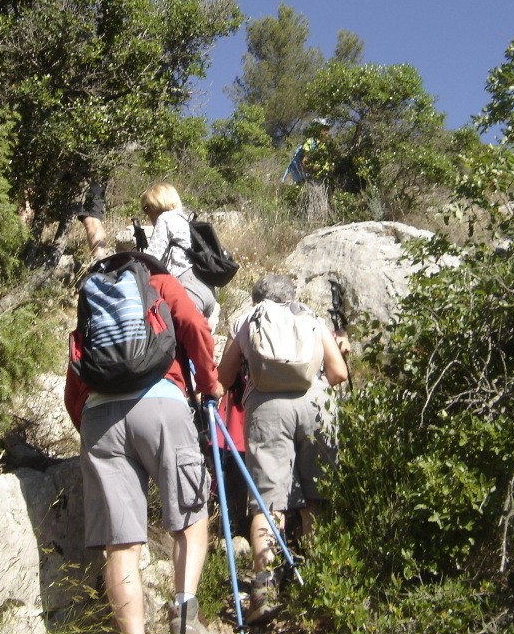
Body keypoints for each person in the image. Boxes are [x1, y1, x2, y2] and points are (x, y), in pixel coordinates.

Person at [64, 255, 224, 634]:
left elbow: (76, 369)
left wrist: (88, 425)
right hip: (161, 406)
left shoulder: (96, 297)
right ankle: (184, 614)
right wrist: (208, 383)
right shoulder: (161, 283)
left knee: (120, 544)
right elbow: (195, 327)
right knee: (189, 519)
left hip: (100, 417)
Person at [216, 274, 348, 624]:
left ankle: (264, 589)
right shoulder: (311, 318)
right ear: (292, 295)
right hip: (316, 406)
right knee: (315, 498)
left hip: (267, 408)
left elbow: (223, 377)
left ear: (257, 298)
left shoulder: (249, 319)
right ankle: (319, 581)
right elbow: (338, 372)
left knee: (267, 501)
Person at [139, 183, 219, 330]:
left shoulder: (165, 218)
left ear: (157, 204)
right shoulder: (184, 219)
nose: (147, 213)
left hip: (186, 287)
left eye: (147, 208)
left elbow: (151, 258)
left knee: (174, 339)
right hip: (206, 289)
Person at [280, 118, 333, 184]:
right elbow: (304, 163)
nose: (327, 132)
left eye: (328, 129)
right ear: (318, 130)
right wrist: (316, 170)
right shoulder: (311, 142)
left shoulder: (323, 145)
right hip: (303, 178)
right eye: (324, 129)